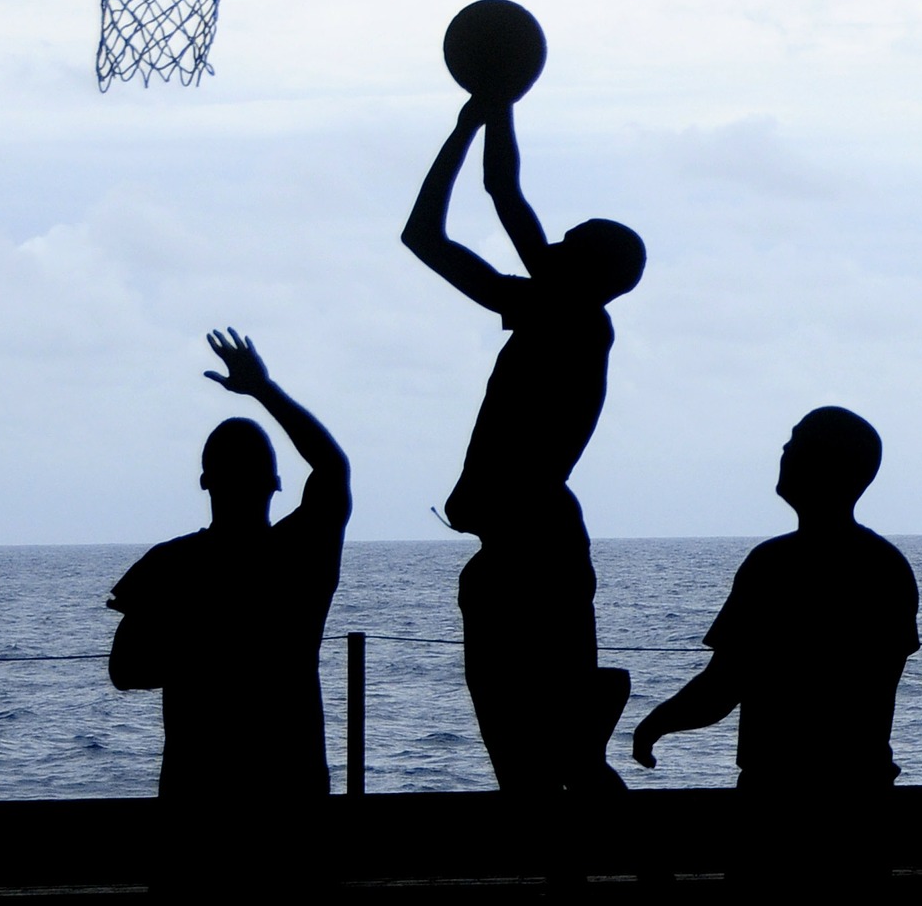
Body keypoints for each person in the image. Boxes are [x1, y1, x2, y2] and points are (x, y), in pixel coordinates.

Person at [402, 85, 644, 793]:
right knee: (546, 758)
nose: (553, 245)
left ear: (588, 270)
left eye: (568, 244)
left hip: (534, 547)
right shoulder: (555, 312)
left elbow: (497, 195)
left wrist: (482, 110)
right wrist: (486, 110)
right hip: (529, 545)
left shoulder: (571, 317)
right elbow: (443, 228)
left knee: (546, 758)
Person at [632, 407, 918, 880]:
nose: (785, 451)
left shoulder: (773, 565)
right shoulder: (887, 566)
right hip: (861, 795)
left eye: (798, 441)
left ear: (827, 465)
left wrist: (655, 725)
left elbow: (723, 686)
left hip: (777, 797)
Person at [107, 330, 351, 799]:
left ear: (205, 481)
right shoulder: (301, 554)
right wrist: (263, 389)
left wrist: (201, 653)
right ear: (276, 483)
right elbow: (332, 468)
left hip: (198, 791)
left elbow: (126, 670)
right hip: (291, 786)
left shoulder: (168, 564)